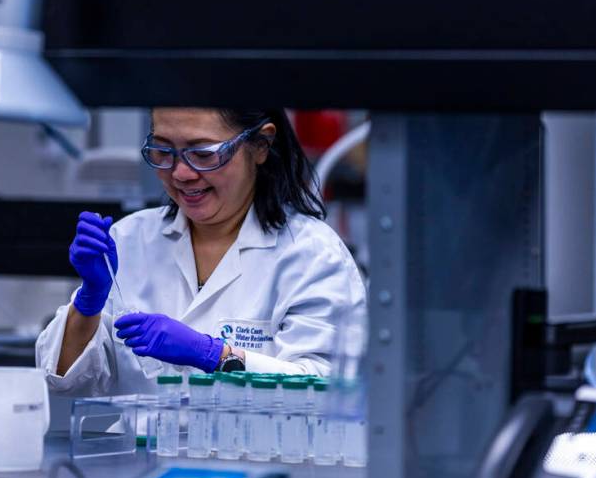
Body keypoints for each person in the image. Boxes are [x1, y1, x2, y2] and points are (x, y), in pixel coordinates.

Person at [36, 108, 367, 396]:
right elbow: (65, 380)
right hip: (140, 465)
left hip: (264, 465)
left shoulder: (312, 255)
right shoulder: (130, 239)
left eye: (204, 154)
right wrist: (89, 301)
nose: (181, 173)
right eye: (163, 151)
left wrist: (215, 356)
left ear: (261, 145)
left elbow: (329, 391)